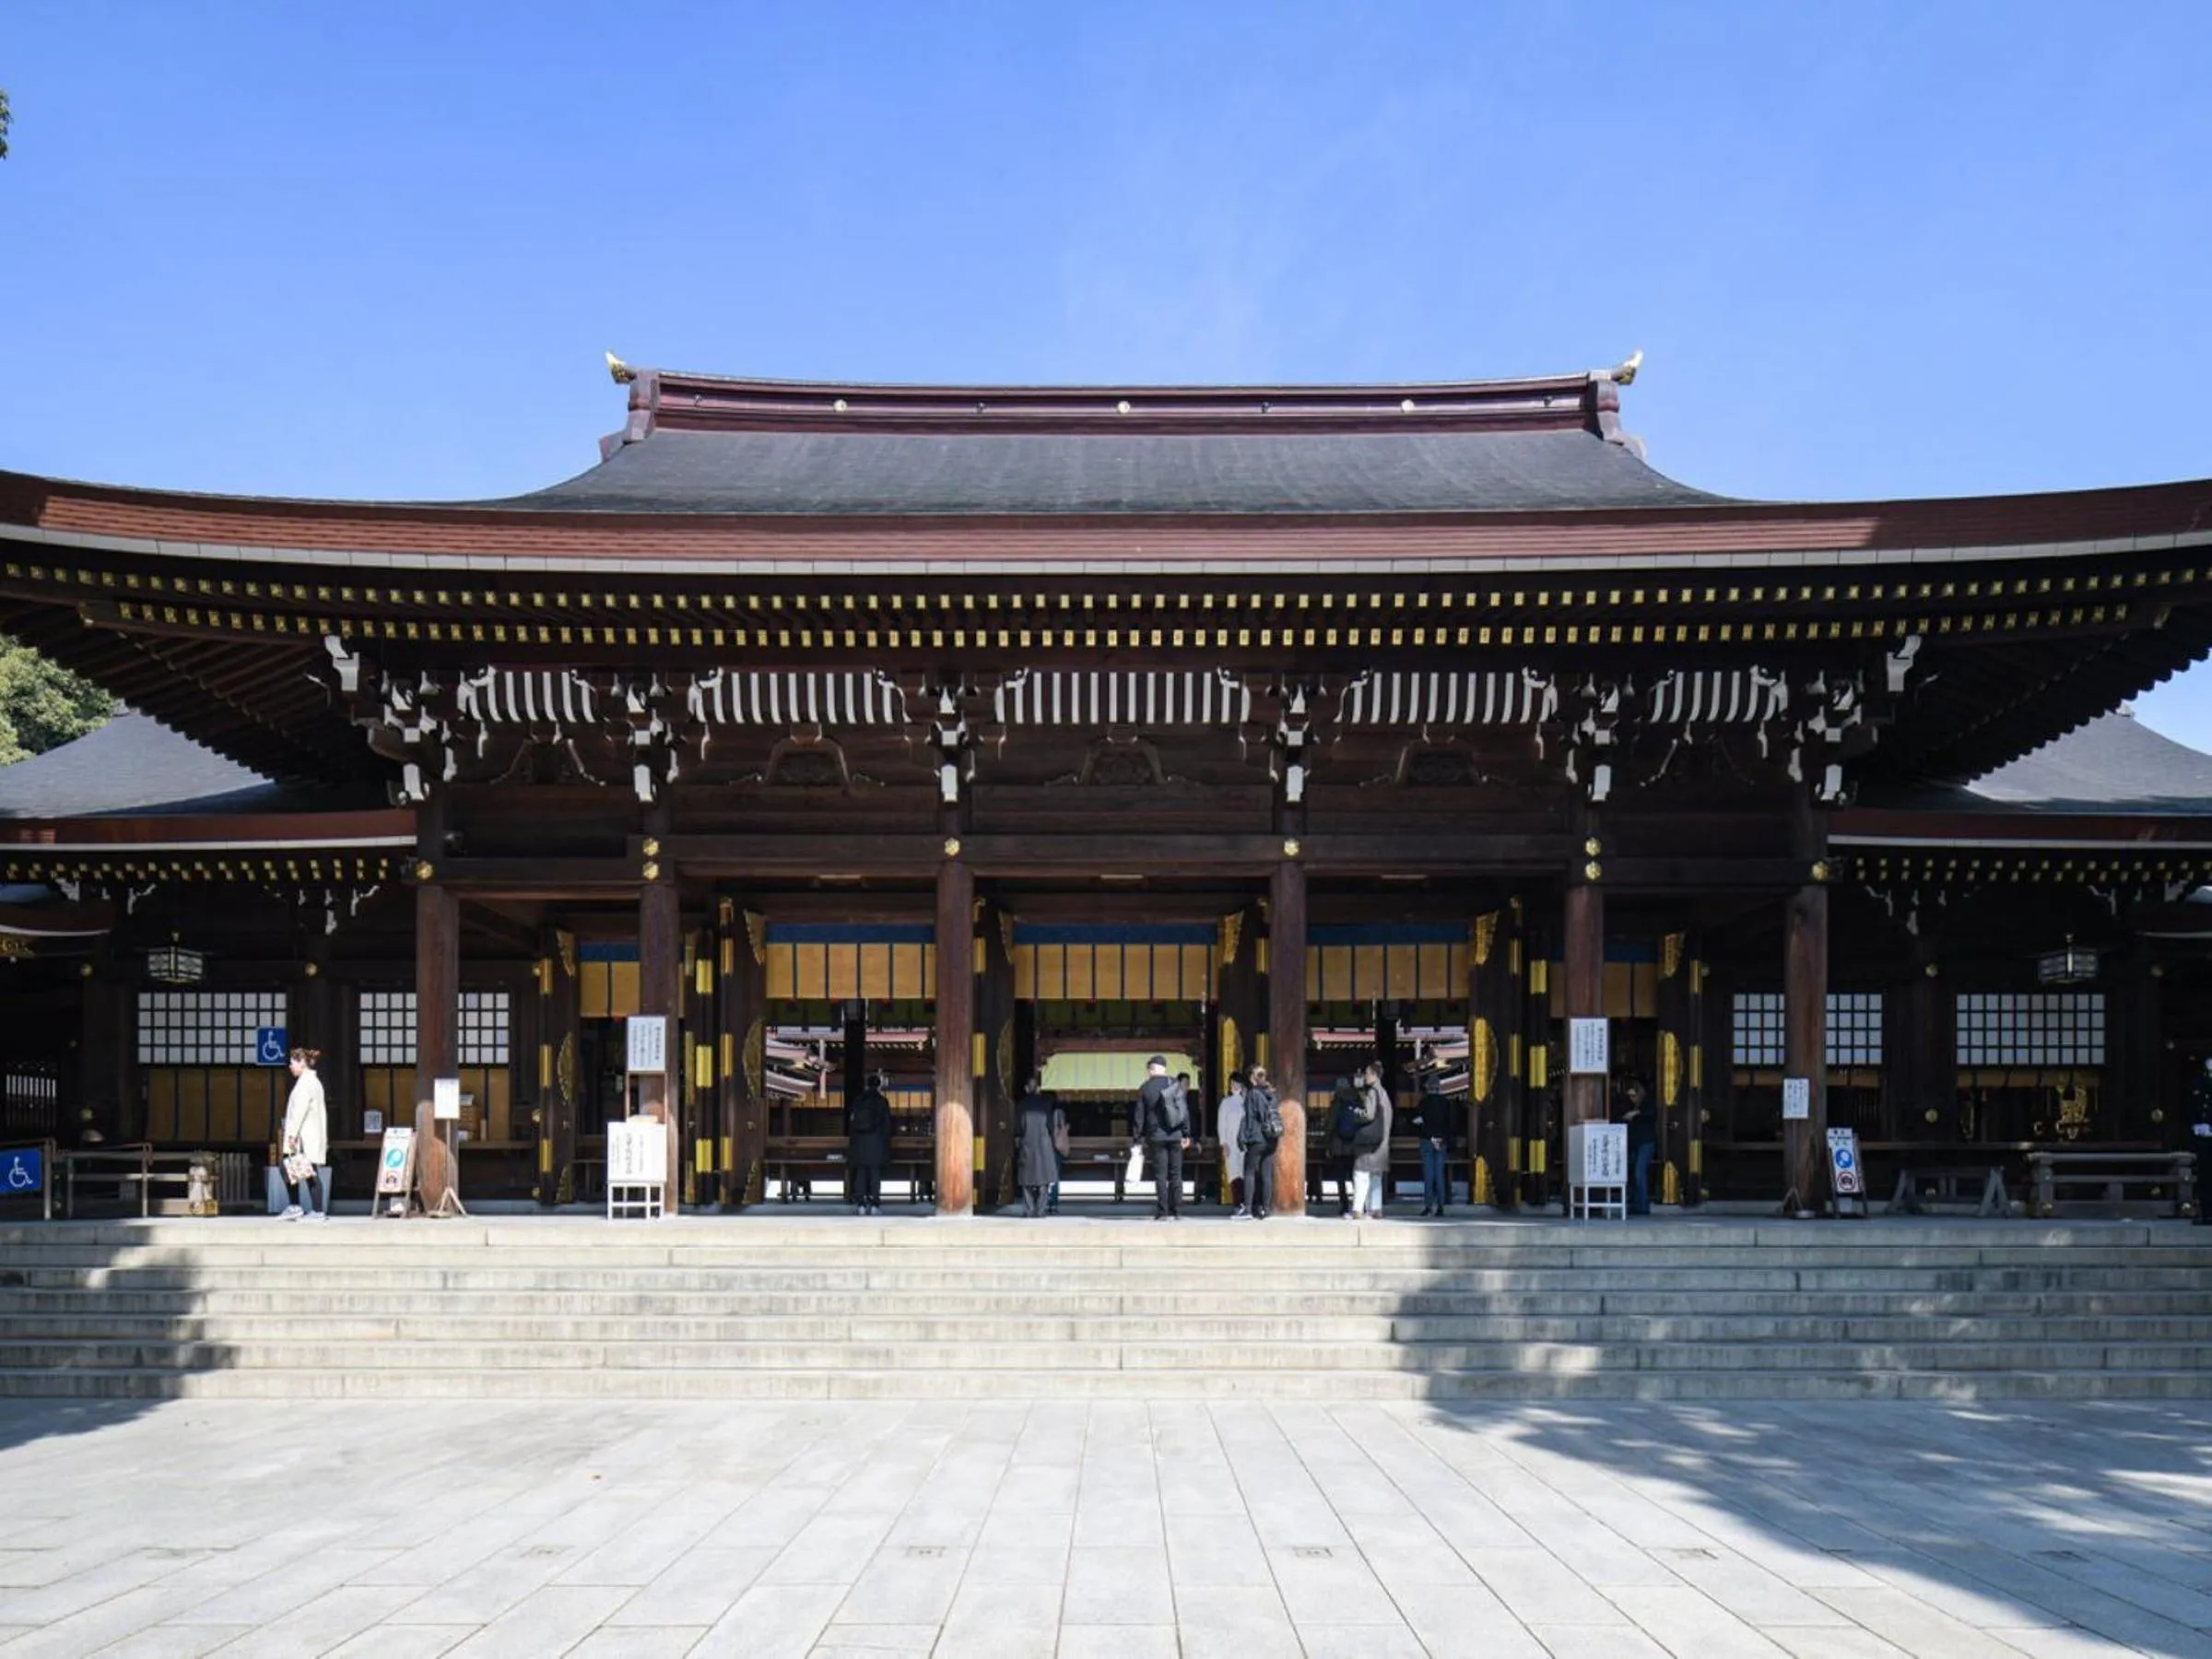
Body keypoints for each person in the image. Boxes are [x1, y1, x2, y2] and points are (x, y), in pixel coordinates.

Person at [1134, 1056, 1194, 1220]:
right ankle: (1177, 1210)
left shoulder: (1145, 1088)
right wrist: (1186, 1133)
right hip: (1175, 1135)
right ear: (1164, 1068)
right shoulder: (1175, 1084)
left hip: (1156, 1136)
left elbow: (1139, 1115)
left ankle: (1162, 1211)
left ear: (1152, 1069)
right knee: (1176, 1174)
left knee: (1160, 1175)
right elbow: (1184, 1111)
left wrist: (1138, 1137)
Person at [279, 1047, 329, 1221]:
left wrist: (292, 1134)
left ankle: (301, 1207)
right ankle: (311, 1209)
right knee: (307, 1171)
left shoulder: (305, 1084)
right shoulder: (313, 1082)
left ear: (301, 1063)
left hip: (303, 1137)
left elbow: (299, 1111)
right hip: (310, 1135)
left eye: (292, 1063)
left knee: (293, 1169)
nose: (290, 1067)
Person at [1014, 1074, 1065, 1219]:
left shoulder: (1021, 1105)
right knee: (1044, 1179)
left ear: (1025, 1089)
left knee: (1026, 1179)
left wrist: (1018, 1141)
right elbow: (1050, 1126)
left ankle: (1029, 1210)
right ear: (1037, 1089)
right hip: (1044, 1144)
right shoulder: (1046, 1104)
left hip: (1027, 1143)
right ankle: (1041, 1210)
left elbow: (1018, 1128)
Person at [1237, 1067, 1282, 1219]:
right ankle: (1266, 1209)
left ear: (1252, 1078)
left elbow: (1249, 1118)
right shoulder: (1271, 1094)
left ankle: (1249, 1209)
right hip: (1271, 1138)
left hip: (1256, 1138)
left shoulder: (1253, 1094)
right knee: (1266, 1174)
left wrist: (1244, 1137)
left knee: (1249, 1172)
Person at [1350, 1061, 1394, 1219]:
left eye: (1367, 1073)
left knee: (1361, 1174)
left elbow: (1368, 1115)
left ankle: (1357, 1209)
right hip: (1382, 1143)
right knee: (1376, 1176)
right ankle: (1376, 1209)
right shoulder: (1384, 1094)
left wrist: (1356, 1113)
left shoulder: (1372, 1093)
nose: (1365, 1077)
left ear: (1374, 1075)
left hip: (1369, 1143)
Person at [847, 1069, 892, 1216]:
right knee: (874, 1175)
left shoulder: (858, 1100)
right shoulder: (882, 1101)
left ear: (867, 1085)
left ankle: (860, 1204)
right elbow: (886, 1125)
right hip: (876, 1142)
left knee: (860, 1174)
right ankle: (874, 1205)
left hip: (860, 1143)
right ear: (879, 1086)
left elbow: (852, 1123)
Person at [1406, 1074, 1452, 1217]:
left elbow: (1417, 1122)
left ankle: (1428, 1206)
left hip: (1427, 1141)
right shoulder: (1446, 1103)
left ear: (1427, 1088)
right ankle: (1441, 1206)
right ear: (1439, 1088)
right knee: (1439, 1174)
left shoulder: (1423, 1103)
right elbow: (1450, 1125)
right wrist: (1441, 1139)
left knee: (1428, 1175)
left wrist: (1431, 1138)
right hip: (1441, 1142)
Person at [1618, 1075, 1656, 1216]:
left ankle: (1643, 1206)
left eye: (1634, 1095)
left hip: (1646, 1142)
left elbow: (1651, 1114)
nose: (1632, 1098)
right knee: (1632, 1174)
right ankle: (1635, 1203)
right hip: (1634, 1143)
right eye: (1630, 1096)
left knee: (1639, 1174)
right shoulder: (1629, 1104)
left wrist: (1636, 1113)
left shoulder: (1648, 1102)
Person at [1326, 1075, 1362, 1216]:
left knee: (1340, 1177)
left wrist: (1327, 1143)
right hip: (1354, 1146)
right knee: (1355, 1177)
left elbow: (1331, 1125)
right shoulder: (1357, 1100)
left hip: (1338, 1145)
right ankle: (1358, 1203)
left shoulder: (1337, 1102)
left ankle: (1344, 1204)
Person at [1218, 1073, 1248, 1216]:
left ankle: (1248, 1203)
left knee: (1246, 1173)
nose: (1235, 1087)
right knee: (1234, 1174)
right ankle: (1238, 1203)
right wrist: (1223, 1143)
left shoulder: (1246, 1101)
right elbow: (1221, 1124)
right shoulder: (1226, 1102)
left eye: (1238, 1084)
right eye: (1233, 1084)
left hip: (1246, 1144)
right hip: (1231, 1143)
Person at [2189, 1058, 2212, 1226]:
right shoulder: (2199, 1082)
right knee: (2204, 1175)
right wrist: (2196, 1124)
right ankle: (2206, 1213)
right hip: (2202, 1134)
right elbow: (2193, 1105)